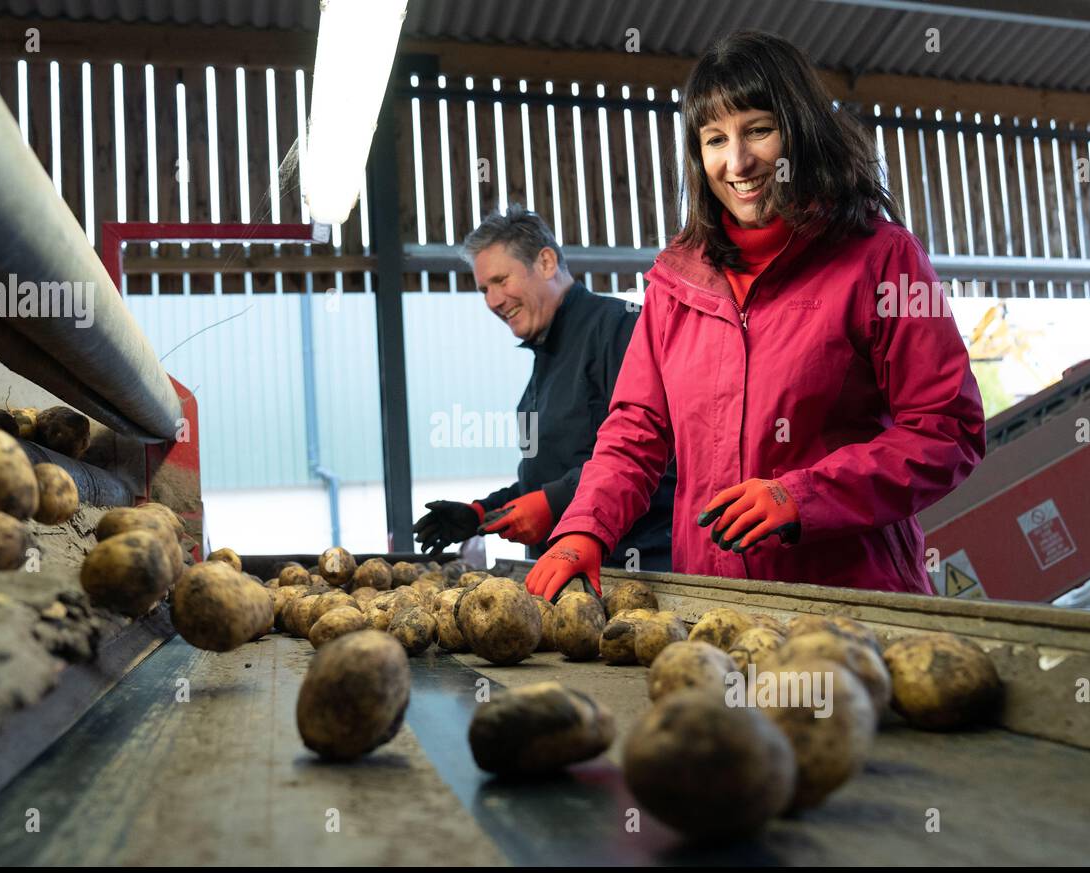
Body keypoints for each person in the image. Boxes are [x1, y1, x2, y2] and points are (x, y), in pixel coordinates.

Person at [526, 30, 986, 600]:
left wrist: (805, 496)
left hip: (850, 605)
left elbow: (946, 430)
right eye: (715, 139)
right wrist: (583, 529)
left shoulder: (880, 258)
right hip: (714, 604)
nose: (737, 162)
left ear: (801, 130)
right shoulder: (677, 280)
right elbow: (634, 432)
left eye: (759, 130)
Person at [412, 206, 675, 570]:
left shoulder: (620, 329)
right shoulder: (545, 355)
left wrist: (553, 502)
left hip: (632, 574)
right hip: (560, 576)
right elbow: (545, 478)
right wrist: (479, 514)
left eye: (502, 280)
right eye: (484, 289)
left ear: (547, 263)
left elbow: (659, 457)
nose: (492, 301)